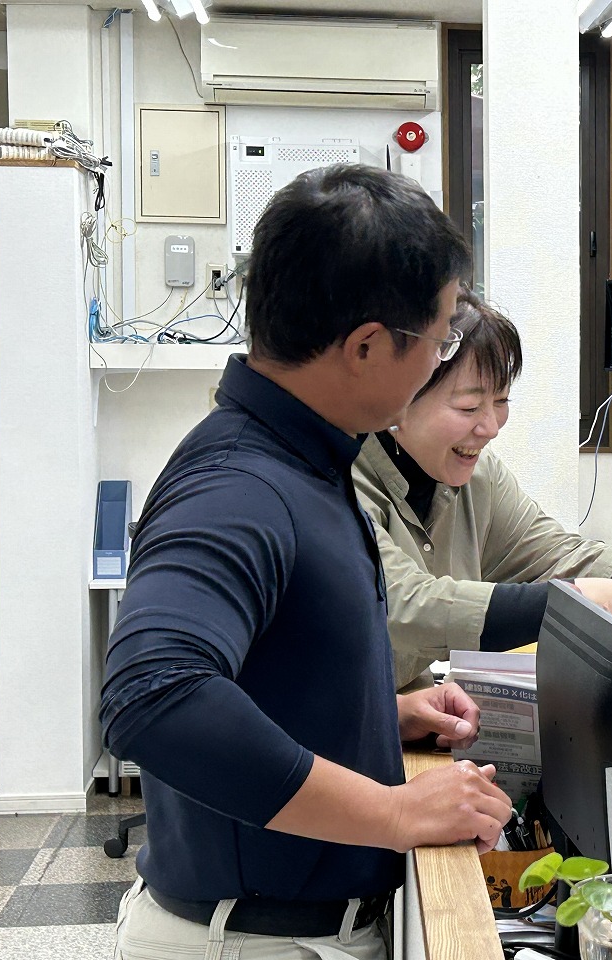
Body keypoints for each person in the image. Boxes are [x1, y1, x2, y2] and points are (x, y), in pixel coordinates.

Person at [100, 165, 512, 960]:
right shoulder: (239, 485)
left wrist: (374, 719)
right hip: (254, 944)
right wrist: (394, 813)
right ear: (364, 346)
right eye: (439, 337)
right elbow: (152, 696)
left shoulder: (304, 460)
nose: (440, 360)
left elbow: (270, 668)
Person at [353, 288, 612, 690]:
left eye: (501, 401)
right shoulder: (343, 479)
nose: (491, 426)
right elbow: (405, 605)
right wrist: (594, 600)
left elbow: (553, 552)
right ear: (400, 395)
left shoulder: (480, 476)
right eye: (468, 407)